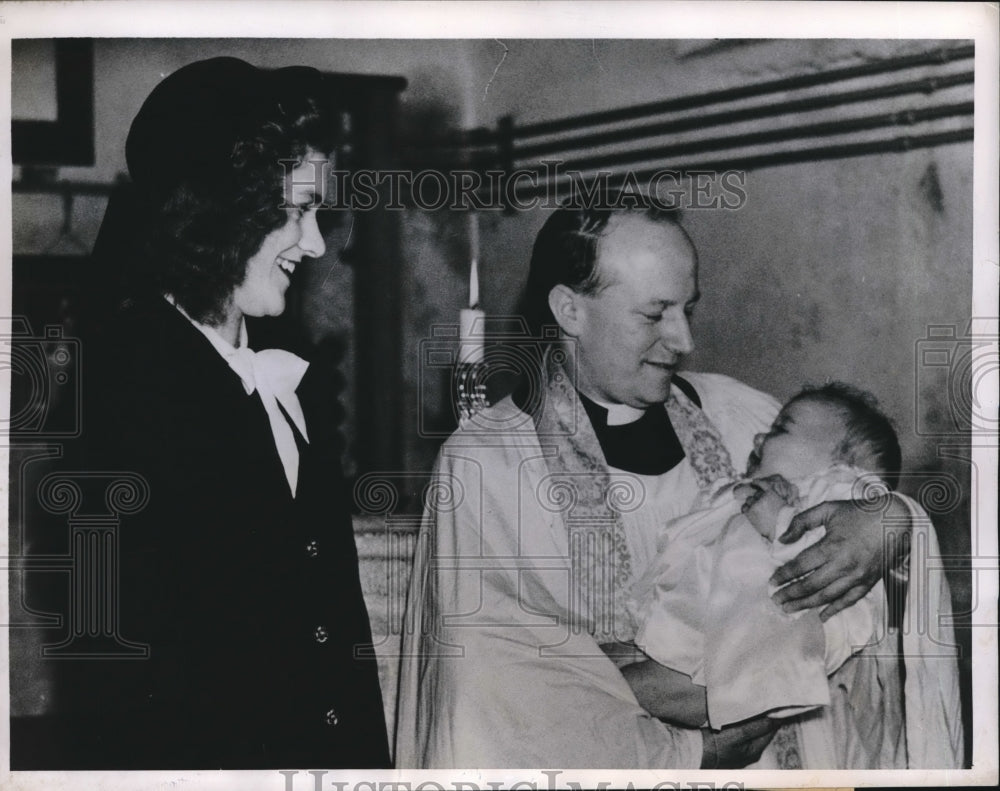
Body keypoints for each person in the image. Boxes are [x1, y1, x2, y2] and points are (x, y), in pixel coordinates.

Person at [395, 202, 951, 769]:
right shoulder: (488, 465)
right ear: (570, 311)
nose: (683, 340)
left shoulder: (742, 417)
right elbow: (491, 689)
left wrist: (890, 520)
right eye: (654, 314)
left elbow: (847, 484)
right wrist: (691, 752)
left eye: (689, 309)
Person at [16, 58, 390, 769]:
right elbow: (113, 679)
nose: (315, 243)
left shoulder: (289, 380)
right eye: (299, 209)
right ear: (224, 205)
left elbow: (332, 632)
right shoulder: (118, 397)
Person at [624, 383, 963, 768]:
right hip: (714, 636)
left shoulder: (836, 492)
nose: (757, 436)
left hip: (769, 646)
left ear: (843, 464)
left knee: (627, 686)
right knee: (621, 674)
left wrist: (779, 521)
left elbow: (828, 548)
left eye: (780, 429)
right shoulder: (763, 486)